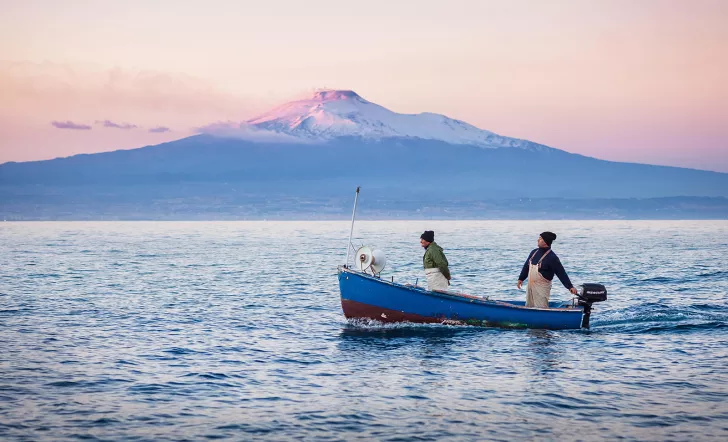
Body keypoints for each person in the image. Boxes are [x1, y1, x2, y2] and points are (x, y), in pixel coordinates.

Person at [517, 231, 578, 308]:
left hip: (542, 288)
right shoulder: (534, 252)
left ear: (546, 242)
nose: (538, 240)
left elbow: (561, 273)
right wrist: (521, 279)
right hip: (530, 286)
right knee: (529, 306)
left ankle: (543, 318)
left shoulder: (552, 257)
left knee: (541, 307)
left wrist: (570, 287)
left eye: (541, 239)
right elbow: (526, 266)